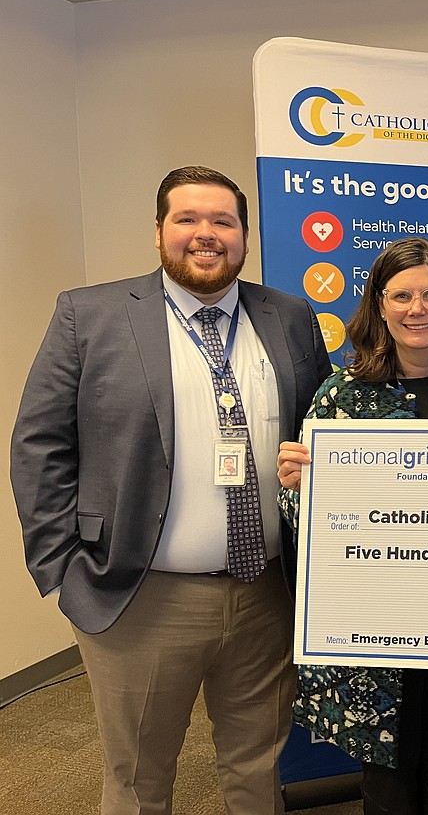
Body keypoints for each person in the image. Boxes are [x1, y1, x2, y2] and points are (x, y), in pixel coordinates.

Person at [10, 165, 332, 814]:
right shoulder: (89, 314)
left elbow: (322, 427)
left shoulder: (290, 316)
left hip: (266, 592)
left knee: (256, 768)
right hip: (139, 595)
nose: (205, 234)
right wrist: (63, 570)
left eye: (223, 221)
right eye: (188, 219)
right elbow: (39, 444)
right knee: (139, 779)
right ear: (159, 232)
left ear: (243, 236)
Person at [276, 237, 428, 815]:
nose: (417, 308)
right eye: (401, 295)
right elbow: (304, 523)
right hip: (377, 624)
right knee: (389, 782)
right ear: (378, 305)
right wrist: (298, 489)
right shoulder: (342, 397)